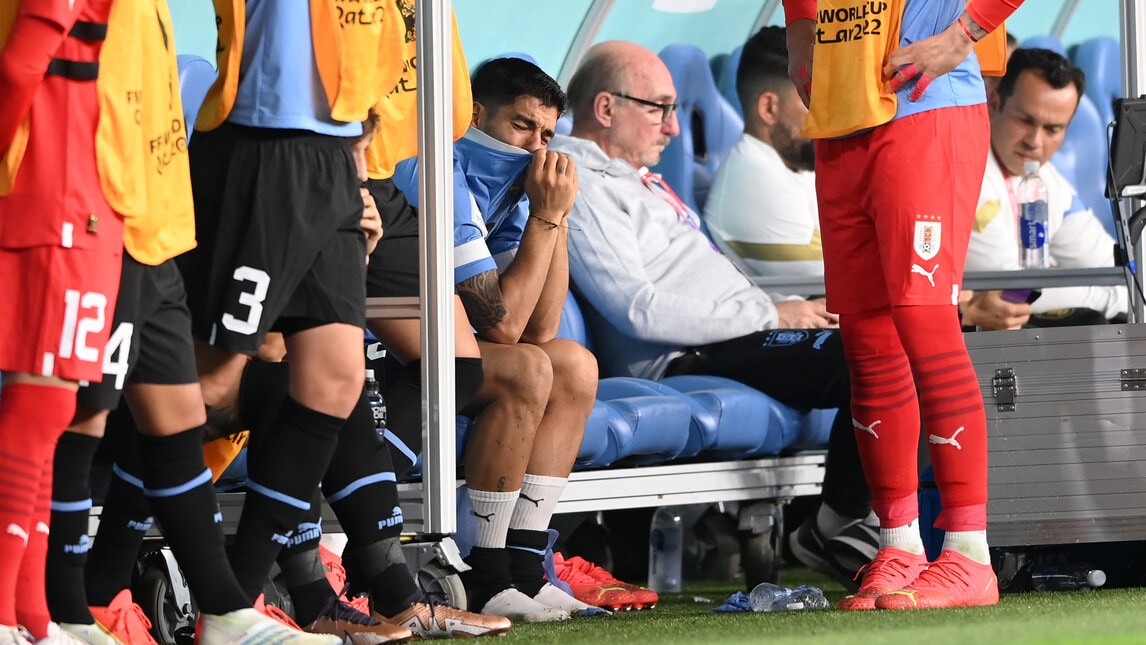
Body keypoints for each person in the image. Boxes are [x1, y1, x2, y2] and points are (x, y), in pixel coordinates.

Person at [548, 41, 876, 590]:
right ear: (606, 109)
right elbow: (638, 307)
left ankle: (860, 521)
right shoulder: (582, 184)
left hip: (734, 336)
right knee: (872, 358)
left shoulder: (633, 179)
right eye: (658, 108)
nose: (673, 129)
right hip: (688, 353)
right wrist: (772, 313)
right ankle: (837, 523)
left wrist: (778, 314)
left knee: (899, 348)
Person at [782, 0, 1023, 610]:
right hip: (841, 112)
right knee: (866, 335)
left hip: (929, 103)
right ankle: (899, 545)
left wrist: (965, 33)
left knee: (924, 320)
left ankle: (969, 554)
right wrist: (798, 28)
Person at [175, 2, 402, 630]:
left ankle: (232, 608)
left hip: (336, 147)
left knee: (335, 381)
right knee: (203, 388)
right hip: (263, 142)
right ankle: (88, 582)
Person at [388, 57, 602, 622]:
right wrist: (545, 219)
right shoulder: (437, 166)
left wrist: (550, 214)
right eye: (522, 126)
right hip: (386, 349)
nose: (538, 149)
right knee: (529, 369)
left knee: (573, 365)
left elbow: (539, 327)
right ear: (475, 114)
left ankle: (527, 570)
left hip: (452, 349)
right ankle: (487, 573)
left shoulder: (506, 185)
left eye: (549, 135)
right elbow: (502, 326)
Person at [0, 2, 123, 642]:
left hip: (94, 207)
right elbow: (21, 65)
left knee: (53, 410)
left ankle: (32, 618)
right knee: (42, 407)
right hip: (60, 202)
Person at [961, 47, 1126, 331]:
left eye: (1052, 129)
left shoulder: (1049, 181)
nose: (1035, 142)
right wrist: (1108, 295)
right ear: (993, 102)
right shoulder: (965, 169)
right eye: (1025, 121)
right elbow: (1011, 291)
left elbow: (1111, 265)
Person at [704, 26, 822, 282]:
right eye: (811, 98)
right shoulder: (754, 182)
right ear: (769, 108)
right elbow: (843, 276)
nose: (825, 114)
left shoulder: (794, 163)